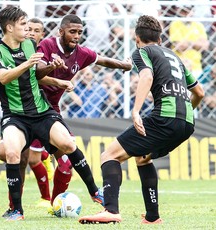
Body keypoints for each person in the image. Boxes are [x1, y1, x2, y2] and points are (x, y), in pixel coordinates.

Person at [78, 15, 204, 225]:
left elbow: (146, 76)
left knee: (109, 155)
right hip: (187, 123)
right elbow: (199, 92)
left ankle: (110, 210)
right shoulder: (175, 57)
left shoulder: (143, 52)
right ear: (160, 39)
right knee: (143, 158)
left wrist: (136, 111)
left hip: (164, 118)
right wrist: (185, 113)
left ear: (137, 39)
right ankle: (152, 217)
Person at [0, 6, 105, 221]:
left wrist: (51, 71)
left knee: (69, 144)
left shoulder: (31, 44)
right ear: (10, 27)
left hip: (42, 112)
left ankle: (96, 192)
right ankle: (16, 210)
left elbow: (37, 74)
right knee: (12, 154)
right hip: (15, 116)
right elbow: (3, 77)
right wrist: (26, 65)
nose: (29, 30)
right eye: (24, 25)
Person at [35, 13, 132, 211]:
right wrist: (52, 67)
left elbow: (102, 60)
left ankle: (59, 204)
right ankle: (15, 207)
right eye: (72, 32)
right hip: (31, 106)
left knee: (66, 157)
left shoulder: (81, 53)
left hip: (51, 110)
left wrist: (124, 65)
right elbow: (36, 73)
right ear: (61, 31)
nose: (77, 36)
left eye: (80, 32)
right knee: (21, 157)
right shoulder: (47, 45)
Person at [0, 17, 59, 212]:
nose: (31, 33)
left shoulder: (44, 50)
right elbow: (14, 79)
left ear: (42, 35)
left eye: (35, 30)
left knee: (31, 159)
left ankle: (47, 199)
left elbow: (39, 78)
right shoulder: (18, 50)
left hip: (44, 111)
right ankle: (15, 205)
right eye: (27, 28)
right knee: (7, 154)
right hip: (19, 112)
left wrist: (59, 81)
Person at [169, 5, 209, 77]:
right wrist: (195, 44)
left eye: (189, 10)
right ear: (180, 11)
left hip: (196, 66)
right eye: (184, 11)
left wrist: (187, 43)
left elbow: (205, 46)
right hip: (180, 65)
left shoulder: (198, 25)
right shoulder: (175, 24)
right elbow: (179, 47)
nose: (187, 14)